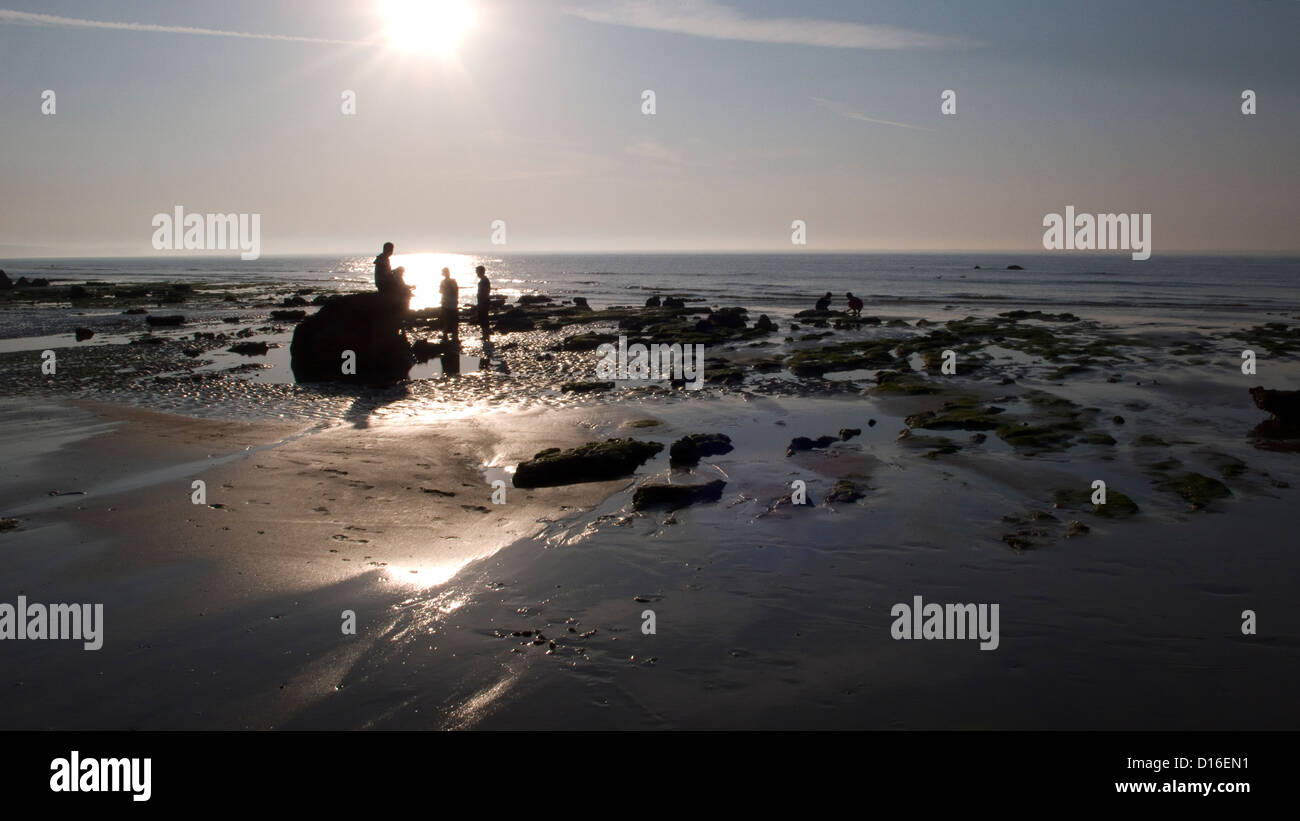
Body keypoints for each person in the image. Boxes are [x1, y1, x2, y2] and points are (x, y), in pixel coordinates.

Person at [439, 267, 459, 343]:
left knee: (446, 320)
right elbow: (456, 291)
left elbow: (440, 291)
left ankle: (446, 336)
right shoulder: (453, 281)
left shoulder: (444, 282)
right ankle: (454, 336)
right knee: (453, 321)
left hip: (447, 303)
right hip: (452, 303)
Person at [475, 265, 491, 337]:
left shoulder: (484, 280)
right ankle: (485, 333)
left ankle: (486, 333)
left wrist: (482, 301)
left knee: (483, 317)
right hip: (482, 301)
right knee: (483, 317)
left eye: (477, 272)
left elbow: (485, 292)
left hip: (483, 301)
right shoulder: (483, 280)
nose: (477, 274)